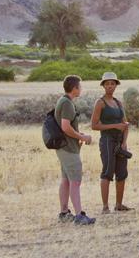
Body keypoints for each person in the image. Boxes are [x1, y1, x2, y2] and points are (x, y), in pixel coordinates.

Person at [55, 75, 96, 225]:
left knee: (66, 180)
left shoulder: (63, 101)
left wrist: (78, 135)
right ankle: (79, 215)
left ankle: (64, 213)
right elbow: (65, 127)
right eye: (80, 86)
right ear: (75, 88)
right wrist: (82, 137)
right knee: (75, 182)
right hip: (69, 148)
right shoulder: (67, 103)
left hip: (63, 147)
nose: (81, 89)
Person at [90, 72, 132, 214]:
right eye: (107, 83)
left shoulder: (119, 103)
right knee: (107, 172)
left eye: (112, 83)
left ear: (116, 85)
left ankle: (119, 205)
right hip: (107, 141)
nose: (110, 86)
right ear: (103, 85)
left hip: (120, 142)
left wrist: (124, 142)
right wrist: (114, 126)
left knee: (122, 173)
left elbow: (125, 124)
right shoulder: (100, 103)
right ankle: (105, 207)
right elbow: (94, 125)